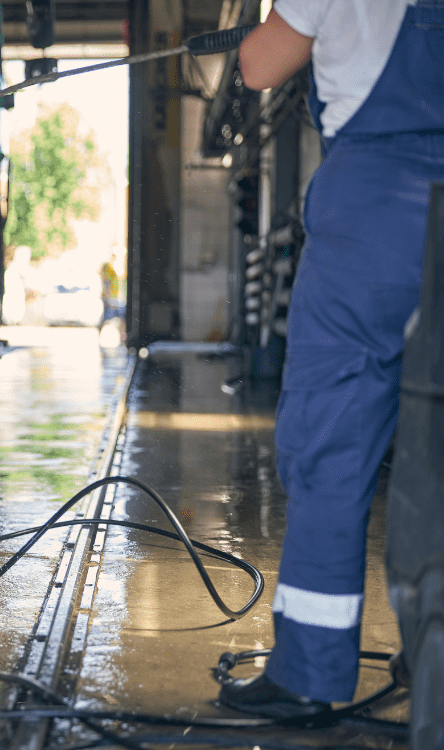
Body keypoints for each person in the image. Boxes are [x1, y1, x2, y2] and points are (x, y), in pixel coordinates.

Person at [221, 0, 444, 717]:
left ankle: (312, 674)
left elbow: (260, 65)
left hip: (375, 212)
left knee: (333, 439)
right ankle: (430, 658)